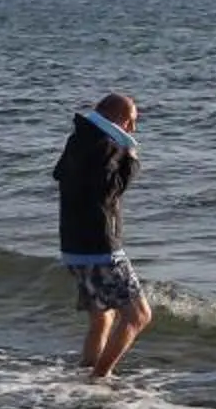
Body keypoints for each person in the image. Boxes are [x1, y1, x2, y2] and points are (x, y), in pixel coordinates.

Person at [53, 92, 152, 379]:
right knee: (139, 315)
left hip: (73, 246)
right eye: (130, 121)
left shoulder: (78, 138)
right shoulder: (106, 145)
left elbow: (59, 174)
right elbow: (109, 192)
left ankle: (87, 374)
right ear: (117, 118)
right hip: (99, 248)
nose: (132, 129)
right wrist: (130, 160)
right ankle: (100, 377)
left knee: (102, 317)